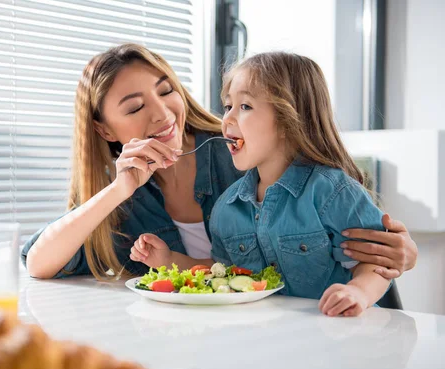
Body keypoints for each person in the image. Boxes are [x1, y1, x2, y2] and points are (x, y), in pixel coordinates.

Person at [23, 44, 417, 284]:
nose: (163, 113)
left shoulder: (242, 151)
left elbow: (339, 204)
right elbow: (38, 263)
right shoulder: (122, 199)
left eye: (167, 91)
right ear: (104, 130)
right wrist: (120, 189)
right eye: (136, 106)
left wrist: (403, 252)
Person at [131, 52, 407, 316]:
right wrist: (168, 261)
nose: (226, 118)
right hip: (271, 339)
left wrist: (358, 292)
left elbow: (376, 261)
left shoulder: (332, 191)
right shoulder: (227, 209)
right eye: (228, 106)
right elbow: (223, 271)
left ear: (289, 120)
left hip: (340, 334)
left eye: (245, 107)